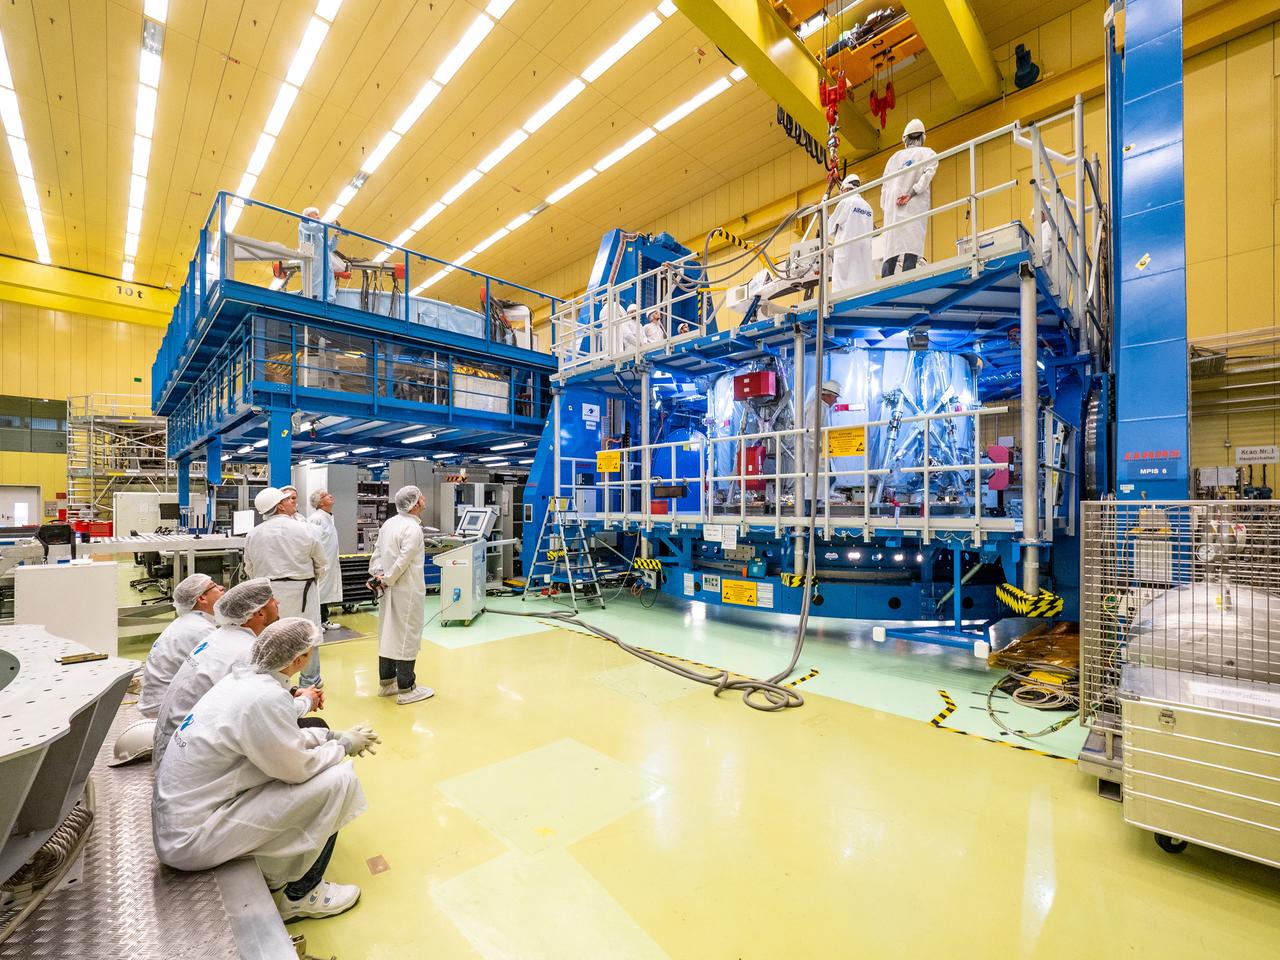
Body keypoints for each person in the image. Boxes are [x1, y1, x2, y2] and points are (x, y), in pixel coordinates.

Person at [152, 617, 379, 922]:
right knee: (339, 780)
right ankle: (302, 895)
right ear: (299, 658)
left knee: (316, 764)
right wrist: (343, 746)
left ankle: (277, 871)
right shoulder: (265, 698)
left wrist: (328, 736)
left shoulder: (242, 681)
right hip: (191, 837)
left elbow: (281, 740)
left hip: (186, 817)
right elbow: (299, 768)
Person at [153, 579, 308, 766]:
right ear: (259, 612)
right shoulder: (249, 652)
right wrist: (307, 701)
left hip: (175, 744)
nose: (278, 603)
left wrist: (291, 693)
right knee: (309, 731)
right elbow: (267, 712)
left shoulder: (220, 636)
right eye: (272, 600)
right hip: (193, 757)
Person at [244, 486, 328, 688]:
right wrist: (311, 578)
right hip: (303, 593)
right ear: (280, 507)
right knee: (307, 636)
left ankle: (275, 680)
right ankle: (310, 682)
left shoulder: (253, 534)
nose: (292, 503)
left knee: (274, 638)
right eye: (287, 500)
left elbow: (250, 568)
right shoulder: (305, 529)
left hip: (269, 597)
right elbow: (321, 563)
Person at [367, 486, 433, 705]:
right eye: (420, 496)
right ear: (415, 504)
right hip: (406, 589)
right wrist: (388, 578)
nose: (424, 498)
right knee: (406, 635)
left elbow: (376, 553)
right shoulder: (412, 529)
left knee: (388, 633)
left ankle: (387, 683)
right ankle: (407, 688)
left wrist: (378, 576)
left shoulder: (389, 523)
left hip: (387, 588)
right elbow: (403, 561)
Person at [137, 574, 224, 718]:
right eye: (215, 585)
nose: (222, 588)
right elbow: (221, 670)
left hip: (157, 700)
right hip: (166, 706)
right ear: (201, 598)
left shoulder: (188, 622)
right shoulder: (200, 629)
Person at [879, 118, 938, 277]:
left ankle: (885, 286)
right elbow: (926, 177)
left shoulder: (893, 158)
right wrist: (912, 193)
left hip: (893, 212)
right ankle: (907, 281)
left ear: (905, 139)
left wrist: (887, 208)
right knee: (911, 249)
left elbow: (884, 188)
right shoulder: (928, 153)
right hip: (914, 207)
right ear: (922, 137)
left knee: (890, 251)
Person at [829, 173, 876, 292]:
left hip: (846, 250)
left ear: (844, 189)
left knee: (843, 285)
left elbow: (829, 228)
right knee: (862, 278)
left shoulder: (846, 202)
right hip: (863, 251)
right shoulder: (868, 207)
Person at [801, 380, 841, 506]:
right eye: (835, 397)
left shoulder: (821, 407)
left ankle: (815, 508)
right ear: (828, 395)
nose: (836, 401)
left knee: (826, 480)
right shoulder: (816, 407)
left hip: (819, 453)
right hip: (815, 454)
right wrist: (821, 448)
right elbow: (812, 432)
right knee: (814, 487)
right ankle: (809, 516)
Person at [308, 489, 344, 630]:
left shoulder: (328, 517)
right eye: (325, 495)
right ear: (320, 502)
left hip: (329, 562)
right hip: (321, 563)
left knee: (324, 593)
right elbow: (312, 542)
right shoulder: (316, 518)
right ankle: (316, 622)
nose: (330, 495)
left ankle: (323, 619)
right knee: (318, 592)